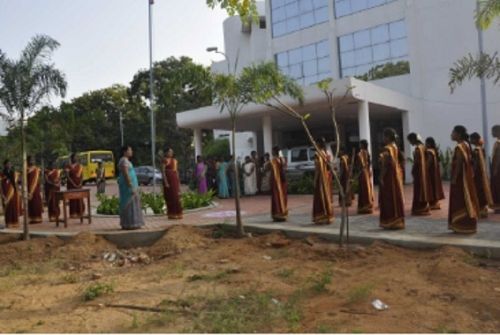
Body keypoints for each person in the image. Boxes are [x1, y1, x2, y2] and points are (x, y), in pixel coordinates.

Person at [449, 125, 480, 234]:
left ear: (459, 134)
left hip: (460, 180)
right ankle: (467, 225)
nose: (451, 134)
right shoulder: (466, 145)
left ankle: (461, 225)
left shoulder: (460, 146)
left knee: (459, 200)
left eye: (453, 132)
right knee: (466, 199)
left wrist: (454, 178)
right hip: (466, 178)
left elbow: (459, 163)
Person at [379, 128, 405, 230]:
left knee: (388, 197)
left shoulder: (387, 148)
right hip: (396, 176)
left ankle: (390, 221)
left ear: (388, 137)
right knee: (395, 197)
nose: (383, 138)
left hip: (389, 176)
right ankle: (397, 220)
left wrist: (381, 176)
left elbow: (386, 164)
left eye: (384, 136)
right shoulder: (395, 147)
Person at [118, 145, 145, 230]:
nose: (131, 151)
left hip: (132, 185)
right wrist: (130, 185)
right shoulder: (123, 160)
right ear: (125, 152)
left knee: (134, 203)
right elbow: (126, 174)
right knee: (128, 203)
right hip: (127, 186)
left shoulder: (127, 161)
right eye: (130, 150)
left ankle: (135, 223)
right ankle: (128, 223)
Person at [470, 132, 493, 218]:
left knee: (478, 191)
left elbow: (476, 163)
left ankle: (480, 209)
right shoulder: (482, 149)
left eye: (471, 139)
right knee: (482, 190)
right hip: (483, 174)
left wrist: (473, 173)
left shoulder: (476, 150)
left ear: (475, 140)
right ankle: (483, 209)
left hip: (478, 174)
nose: (470, 141)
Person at [407, 133, 431, 216]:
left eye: (410, 141)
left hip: (418, 171)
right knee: (423, 188)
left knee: (418, 190)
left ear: (413, 139)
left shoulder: (418, 149)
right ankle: (424, 207)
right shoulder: (424, 147)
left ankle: (419, 208)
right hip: (424, 171)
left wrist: (413, 170)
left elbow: (416, 161)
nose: (410, 143)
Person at [313, 138, 334, 225]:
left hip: (321, 178)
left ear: (318, 144)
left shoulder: (317, 154)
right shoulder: (326, 153)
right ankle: (327, 215)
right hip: (326, 177)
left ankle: (321, 216)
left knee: (319, 197)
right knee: (326, 196)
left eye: (315, 142)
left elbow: (317, 168)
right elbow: (329, 166)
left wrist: (315, 179)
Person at [162, 148, 183, 220]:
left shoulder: (175, 161)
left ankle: (178, 213)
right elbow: (163, 172)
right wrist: (166, 182)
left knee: (176, 196)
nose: (171, 153)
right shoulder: (165, 160)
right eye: (169, 152)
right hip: (168, 180)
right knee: (170, 197)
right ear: (166, 153)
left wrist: (178, 181)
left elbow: (176, 171)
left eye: (172, 152)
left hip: (174, 179)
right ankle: (171, 214)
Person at [425, 137, 445, 210]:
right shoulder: (434, 150)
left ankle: (433, 203)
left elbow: (429, 162)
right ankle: (435, 203)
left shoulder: (430, 151)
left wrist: (424, 169)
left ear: (429, 143)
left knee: (431, 186)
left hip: (430, 172)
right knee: (434, 186)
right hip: (434, 172)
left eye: (426, 143)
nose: (425, 144)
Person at [0, 160, 21, 227]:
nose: (9, 165)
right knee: (8, 208)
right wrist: (2, 194)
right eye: (8, 164)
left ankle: (15, 222)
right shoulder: (1, 174)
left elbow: (18, 182)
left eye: (10, 164)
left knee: (14, 207)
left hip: (13, 192)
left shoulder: (13, 173)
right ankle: (8, 223)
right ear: (5, 165)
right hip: (5, 193)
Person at [269, 147, 288, 221]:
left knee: (276, 198)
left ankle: (278, 214)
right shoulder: (282, 159)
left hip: (276, 182)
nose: (271, 152)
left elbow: (271, 171)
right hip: (283, 182)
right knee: (282, 197)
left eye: (272, 151)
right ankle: (283, 213)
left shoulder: (274, 160)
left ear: (274, 152)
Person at [356, 140, 374, 214]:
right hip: (366, 171)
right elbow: (369, 163)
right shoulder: (367, 153)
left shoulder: (361, 153)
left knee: (363, 189)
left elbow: (361, 164)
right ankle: (368, 205)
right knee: (367, 188)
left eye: (360, 144)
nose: (359, 145)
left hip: (362, 172)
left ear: (362, 145)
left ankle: (364, 205)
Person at [65, 153, 85, 219]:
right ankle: (73, 213)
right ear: (71, 158)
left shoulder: (80, 166)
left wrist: (80, 183)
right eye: (74, 157)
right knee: (72, 200)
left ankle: (80, 212)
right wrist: (73, 183)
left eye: (76, 157)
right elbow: (67, 176)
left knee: (79, 199)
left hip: (79, 186)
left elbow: (82, 176)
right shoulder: (68, 166)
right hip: (71, 185)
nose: (75, 158)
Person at [26, 156, 43, 224]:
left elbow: (39, 179)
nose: (32, 161)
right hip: (28, 188)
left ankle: (38, 218)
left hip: (36, 188)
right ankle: (32, 218)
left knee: (37, 202)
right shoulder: (26, 169)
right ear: (28, 161)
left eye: (33, 160)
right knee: (31, 203)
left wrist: (40, 186)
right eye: (31, 160)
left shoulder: (37, 169)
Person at [491, 125, 500, 213]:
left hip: (498, 168)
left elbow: (498, 157)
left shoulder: (498, 143)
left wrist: (496, 169)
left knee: (497, 186)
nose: (491, 133)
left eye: (493, 131)